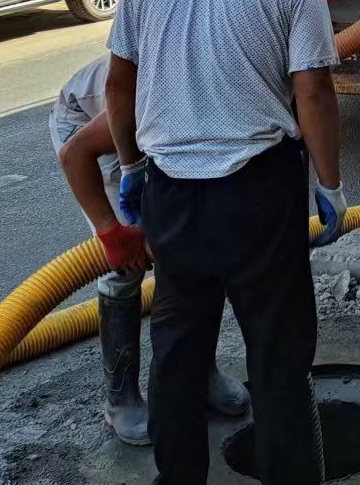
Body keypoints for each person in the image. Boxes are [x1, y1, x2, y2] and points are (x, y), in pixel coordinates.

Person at [105, 0, 346, 485]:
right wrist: (329, 184)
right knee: (278, 350)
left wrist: (132, 167)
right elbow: (314, 92)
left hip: (172, 193)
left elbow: (118, 83)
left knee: (178, 349)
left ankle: (178, 478)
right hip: (258, 193)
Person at [51, 56, 250, 446]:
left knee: (196, 247)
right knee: (126, 267)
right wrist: (112, 233)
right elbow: (75, 156)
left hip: (153, 130)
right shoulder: (158, 99)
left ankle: (199, 373)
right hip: (86, 127)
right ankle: (120, 400)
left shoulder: (221, 91)